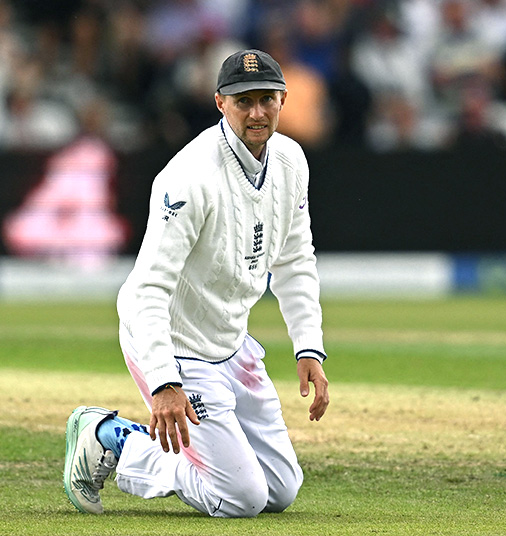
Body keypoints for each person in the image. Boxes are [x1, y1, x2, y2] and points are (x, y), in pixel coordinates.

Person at [64, 48, 330, 517]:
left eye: (266, 99)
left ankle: (150, 446)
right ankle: (110, 439)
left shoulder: (291, 161)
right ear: (220, 103)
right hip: (176, 346)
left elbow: (294, 259)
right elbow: (149, 288)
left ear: (283, 100)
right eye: (242, 100)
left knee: (281, 489)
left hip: (231, 343)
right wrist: (165, 380)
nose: (256, 112)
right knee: (240, 498)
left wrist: (308, 347)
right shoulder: (188, 177)